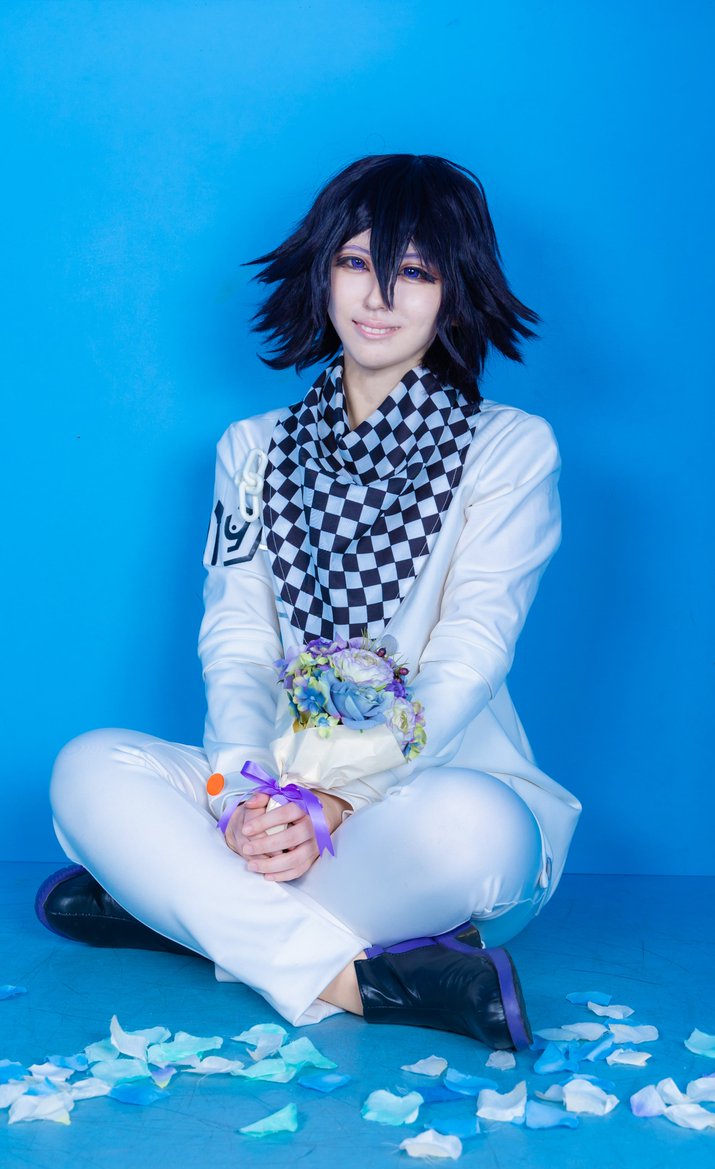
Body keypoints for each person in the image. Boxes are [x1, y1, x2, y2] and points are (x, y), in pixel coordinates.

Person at [36, 154, 581, 1050]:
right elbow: (238, 641)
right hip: (268, 797)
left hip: (416, 801)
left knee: (475, 831)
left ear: (455, 293)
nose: (379, 296)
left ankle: (174, 909)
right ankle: (361, 982)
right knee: (87, 767)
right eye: (357, 262)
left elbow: (471, 651)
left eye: (415, 272)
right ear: (323, 273)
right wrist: (244, 799)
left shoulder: (509, 448)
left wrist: (337, 801)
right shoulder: (254, 448)